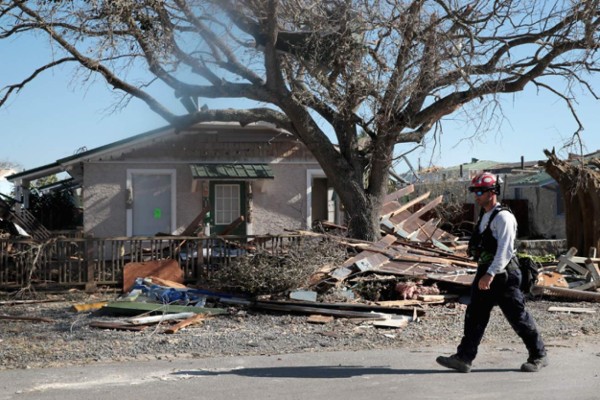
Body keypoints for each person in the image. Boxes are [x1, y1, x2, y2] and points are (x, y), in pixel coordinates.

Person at [436, 172, 547, 373]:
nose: (476, 195)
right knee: (475, 315)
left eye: (480, 191)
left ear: (492, 192)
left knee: (518, 317)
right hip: (486, 271)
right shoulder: (485, 215)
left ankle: (538, 355)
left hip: (504, 275)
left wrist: (490, 274)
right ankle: (464, 358)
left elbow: (505, 250)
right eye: (474, 191)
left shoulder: (504, 217)